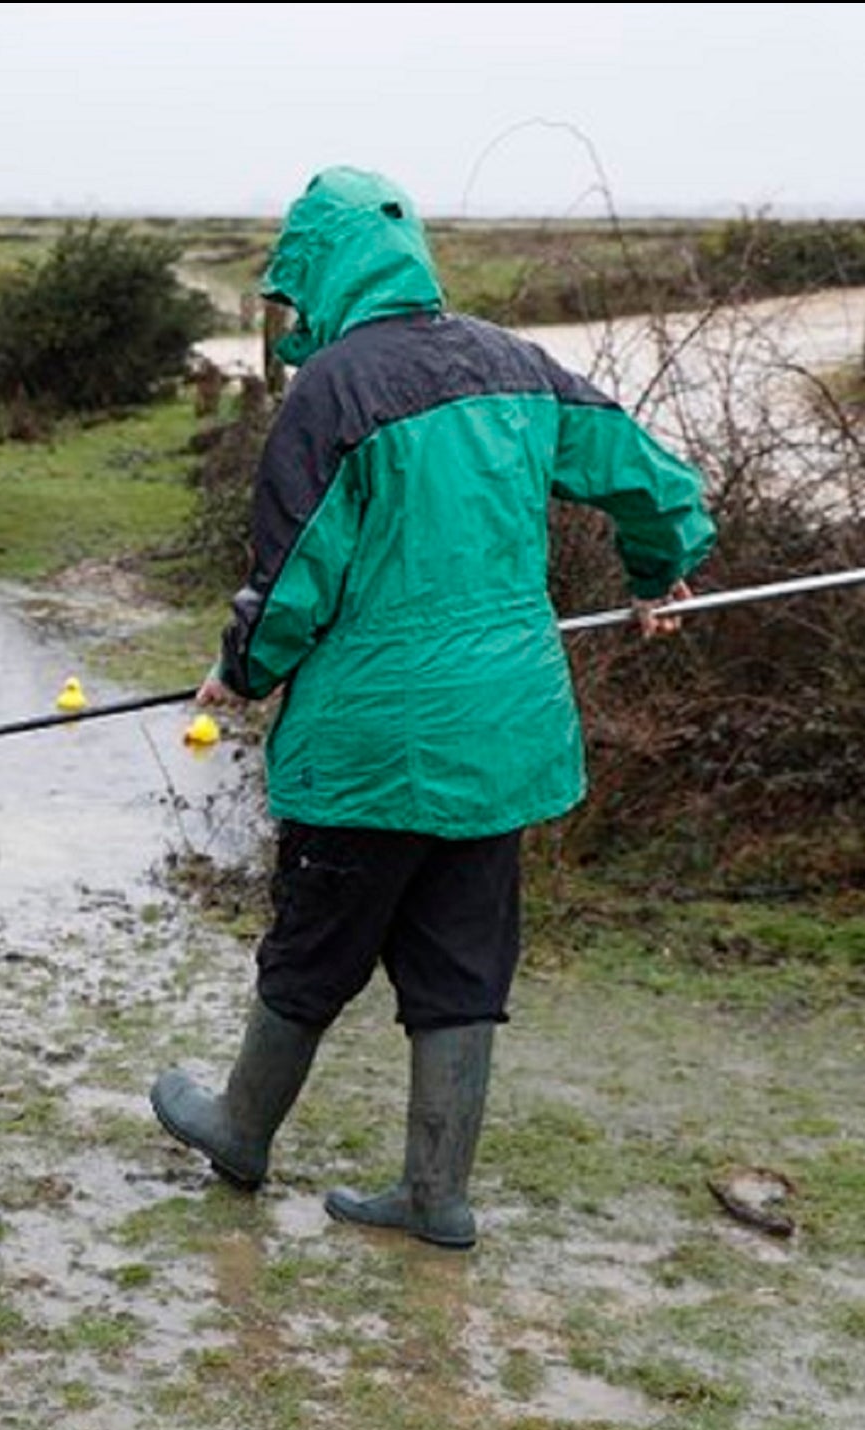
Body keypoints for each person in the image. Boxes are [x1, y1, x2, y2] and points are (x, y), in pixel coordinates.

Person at [150, 166, 716, 1249]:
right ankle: (434, 1192)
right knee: (460, 959)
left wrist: (243, 669)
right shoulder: (516, 364)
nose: (288, 315)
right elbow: (651, 481)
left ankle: (238, 1127)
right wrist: (657, 571)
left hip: (371, 738)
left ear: (320, 267)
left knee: (315, 944)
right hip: (496, 736)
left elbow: (297, 577)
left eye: (291, 288)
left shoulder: (334, 391)